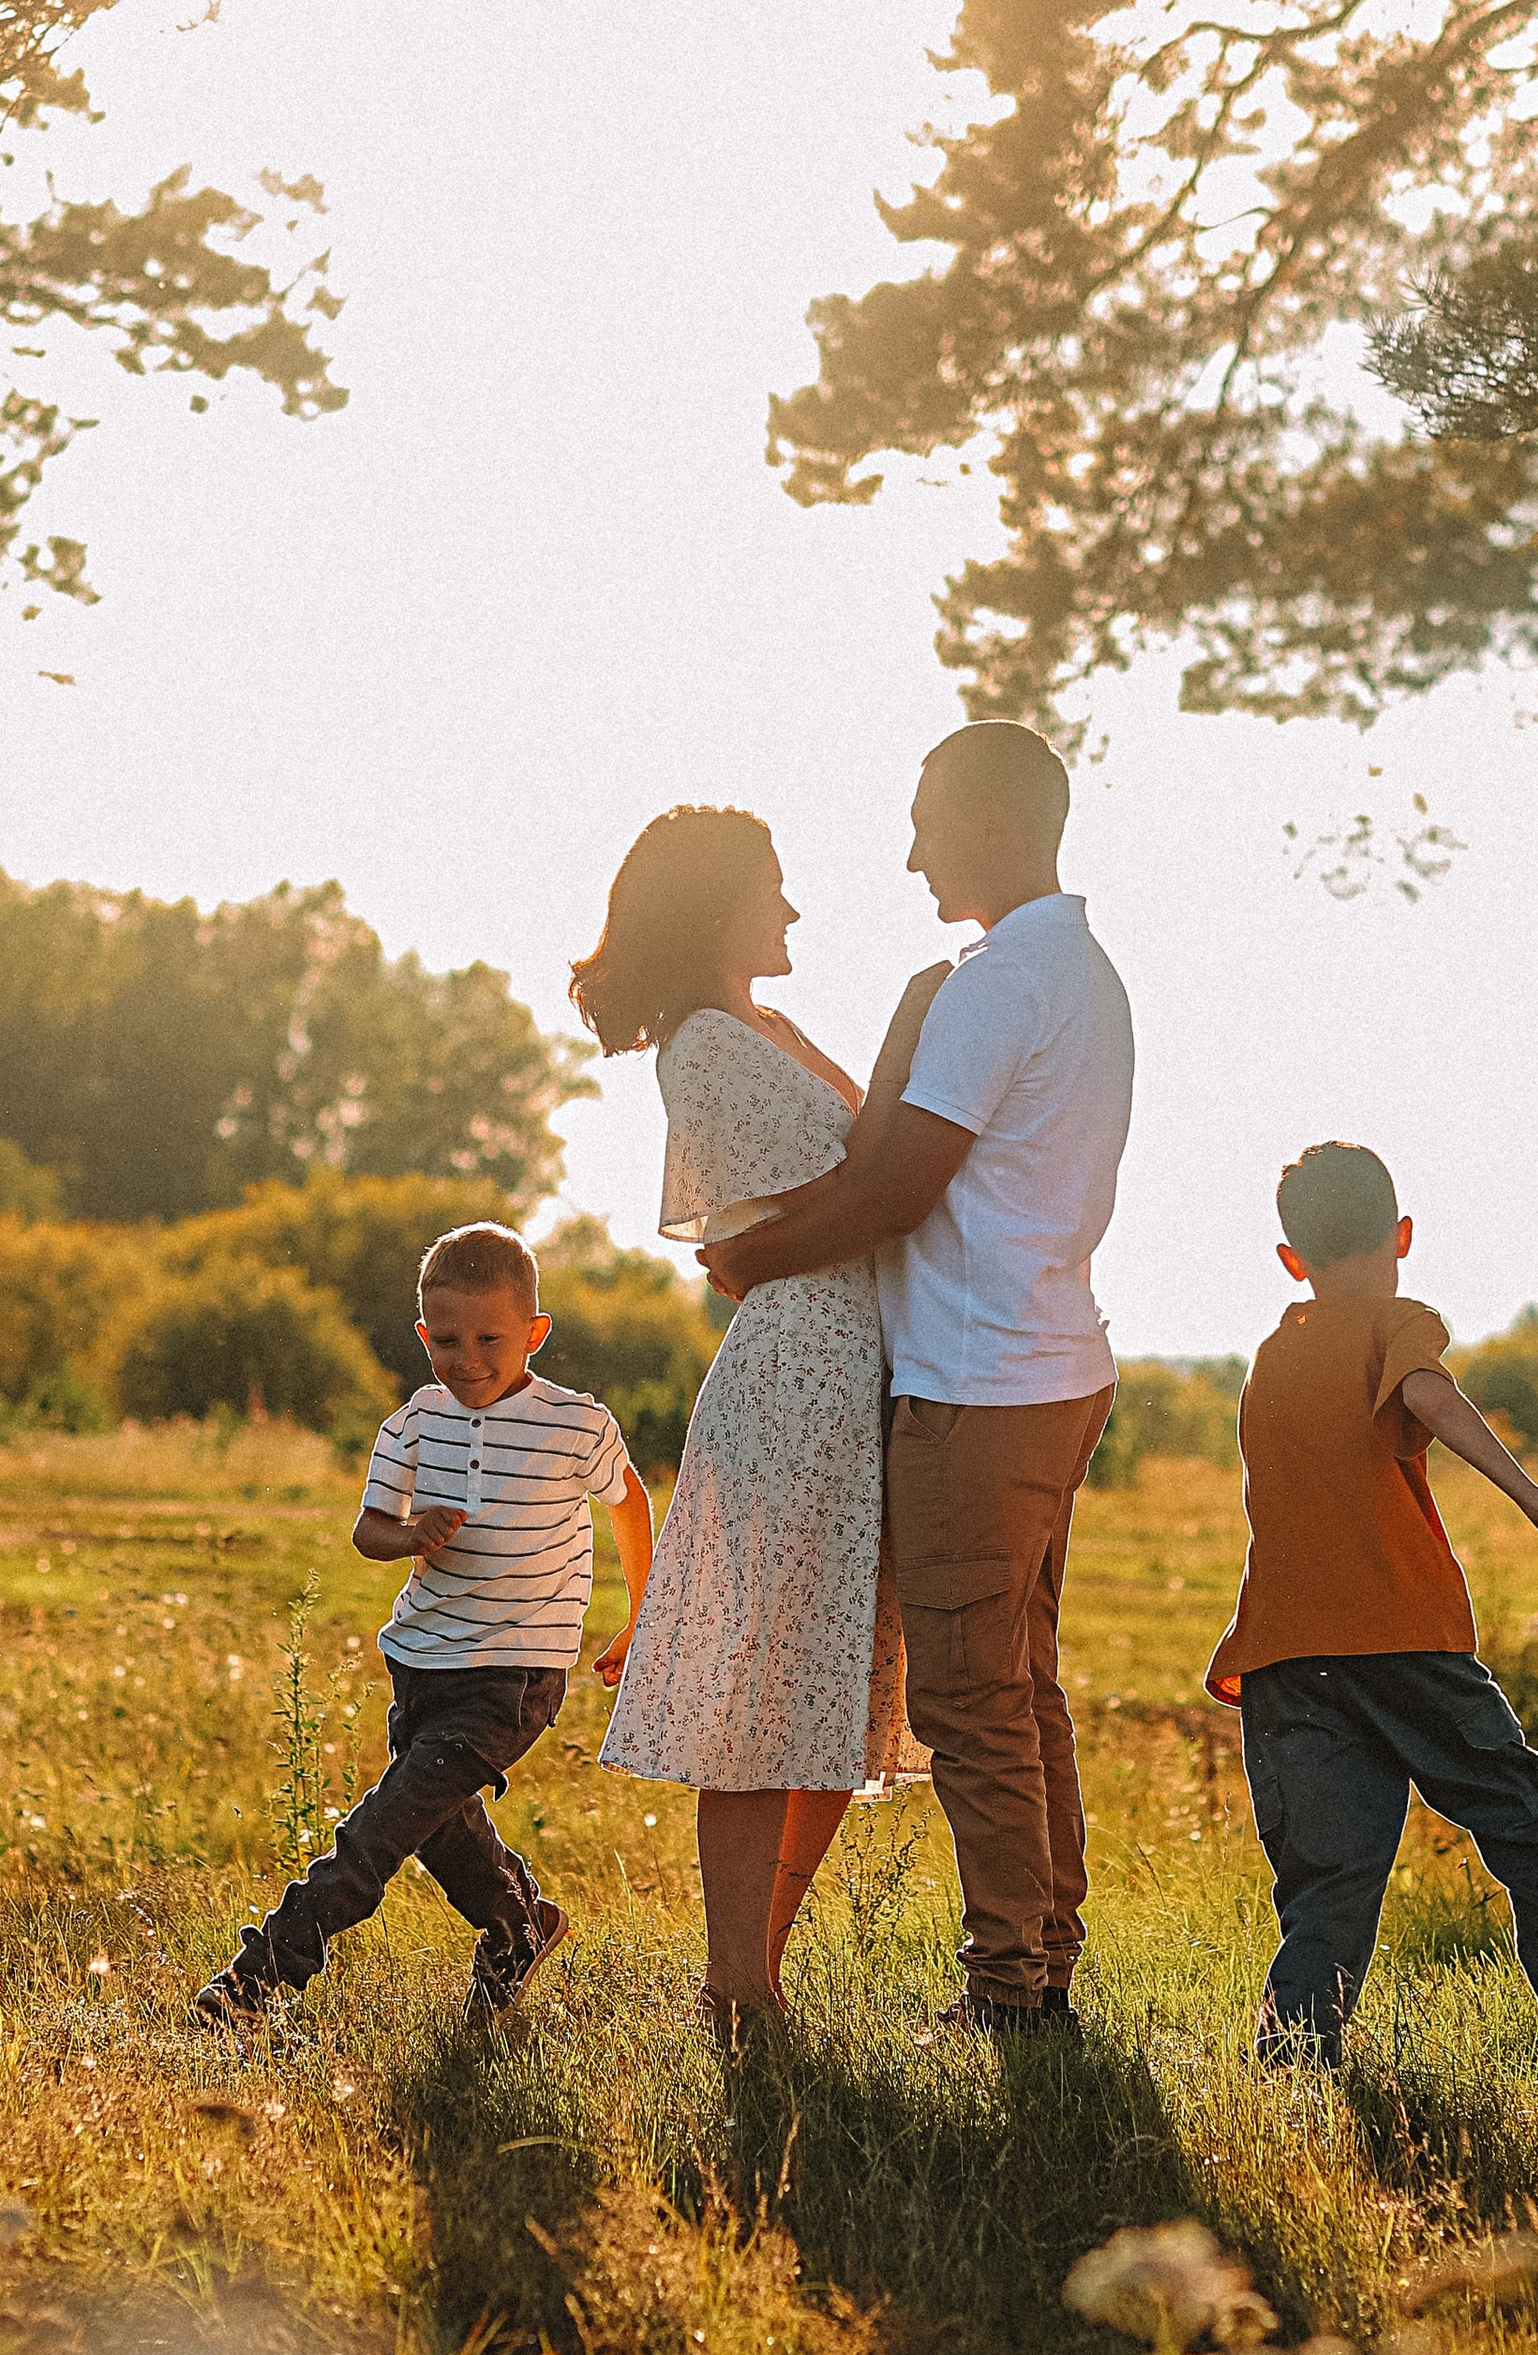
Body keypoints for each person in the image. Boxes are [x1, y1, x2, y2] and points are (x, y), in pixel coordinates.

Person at [702, 723, 1134, 2037]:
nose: (909, 852)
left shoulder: (1001, 981)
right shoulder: (1074, 968)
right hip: (1050, 1368)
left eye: (927, 822)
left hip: (979, 1391)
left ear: (995, 819)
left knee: (970, 1703)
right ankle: (1043, 1962)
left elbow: (897, 1182)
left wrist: (754, 1255)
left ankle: (1010, 1991)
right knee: (1020, 1688)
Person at [570, 806, 932, 2040]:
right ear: (715, 904)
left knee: (837, 1697)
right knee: (763, 1691)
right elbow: (869, 1182)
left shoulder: (766, 1028)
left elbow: (861, 1181)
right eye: (771, 889)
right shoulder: (711, 1044)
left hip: (863, 1365)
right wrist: (916, 1037)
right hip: (797, 1378)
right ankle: (738, 1982)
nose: (790, 911)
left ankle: (752, 1971)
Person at [1203, 1140, 1538, 2084]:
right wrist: (1537, 1501)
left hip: (1289, 1653)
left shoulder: (1269, 1355)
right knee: (1522, 1822)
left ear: (1292, 1260)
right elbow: (1425, 1391)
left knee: (1329, 1874)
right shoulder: (1398, 1321)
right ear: (1402, 1234)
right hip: (1404, 1640)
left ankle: (1297, 2054)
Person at [193, 1221, 653, 2033]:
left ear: (534, 1334)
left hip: (515, 1674)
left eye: (491, 1339)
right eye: (447, 1340)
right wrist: (410, 1535)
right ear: (421, 1334)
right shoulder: (412, 1424)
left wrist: (643, 1615)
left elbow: (630, 1504)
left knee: (381, 1827)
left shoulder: (576, 1425)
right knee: (437, 1823)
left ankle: (259, 1976)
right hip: (420, 1660)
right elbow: (370, 1530)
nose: (468, 1359)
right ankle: (521, 1928)